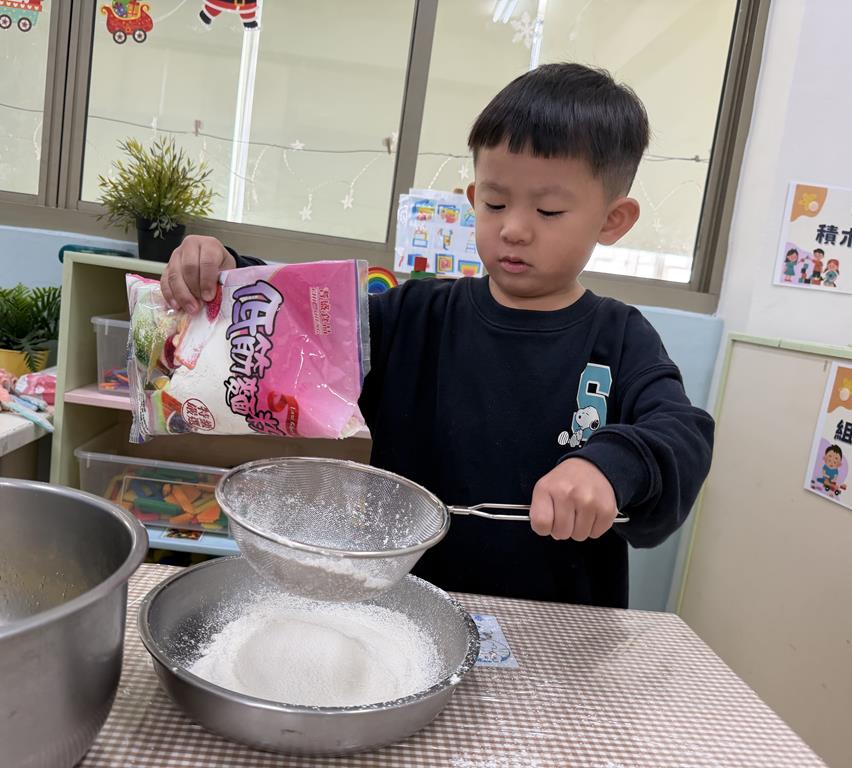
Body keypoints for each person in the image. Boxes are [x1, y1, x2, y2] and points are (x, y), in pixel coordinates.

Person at [160, 63, 715, 608]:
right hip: (405, 612)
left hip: (559, 626)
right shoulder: (415, 316)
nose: (513, 228)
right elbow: (298, 325)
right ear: (474, 198)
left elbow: (682, 433)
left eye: (548, 210)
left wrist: (610, 465)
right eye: (495, 203)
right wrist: (226, 274)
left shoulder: (620, 338)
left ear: (612, 220)